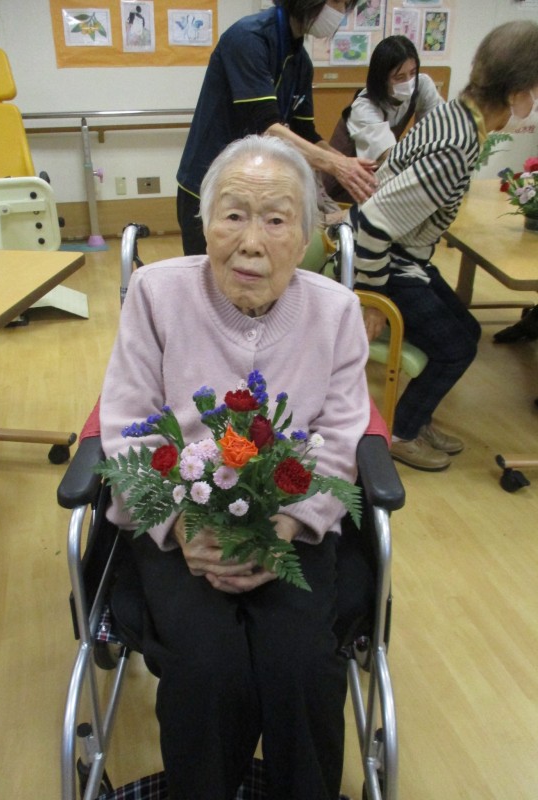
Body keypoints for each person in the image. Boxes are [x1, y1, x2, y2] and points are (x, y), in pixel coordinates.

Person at [100, 135, 371, 799]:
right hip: (177, 519)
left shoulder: (336, 311)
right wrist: (182, 525)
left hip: (291, 525)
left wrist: (289, 523)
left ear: (305, 237)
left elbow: (341, 436)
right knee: (207, 667)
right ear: (204, 224)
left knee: (302, 666)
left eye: (276, 219)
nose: (251, 243)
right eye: (233, 215)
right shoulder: (156, 294)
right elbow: (126, 425)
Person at [349, 20, 538, 472]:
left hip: (401, 254)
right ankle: (401, 433)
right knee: (456, 348)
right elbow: (373, 224)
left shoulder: (456, 113)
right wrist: (372, 298)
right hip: (383, 258)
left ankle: (415, 419)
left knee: (467, 333)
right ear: (517, 93)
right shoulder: (455, 144)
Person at [176, 0, 378, 256]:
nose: (341, 12)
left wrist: (349, 166)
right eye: (338, 2)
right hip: (207, 184)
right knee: (211, 274)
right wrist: (337, 166)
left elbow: (306, 133)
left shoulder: (301, 63)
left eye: (347, 5)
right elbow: (266, 127)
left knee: (253, 270)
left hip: (254, 190)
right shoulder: (248, 38)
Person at [322, 35, 444, 204]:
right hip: (342, 186)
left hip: (375, 178)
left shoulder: (422, 85)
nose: (409, 82)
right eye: (399, 77)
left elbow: (438, 130)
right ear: (382, 79)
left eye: (413, 73)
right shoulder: (364, 108)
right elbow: (391, 158)